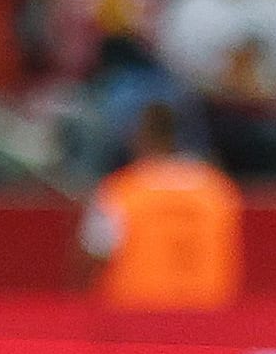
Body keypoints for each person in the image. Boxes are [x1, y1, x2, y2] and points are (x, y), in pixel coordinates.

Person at [82, 100, 242, 312]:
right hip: (206, 313)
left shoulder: (121, 189)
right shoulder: (216, 188)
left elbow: (97, 252)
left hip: (135, 312)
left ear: (140, 136)